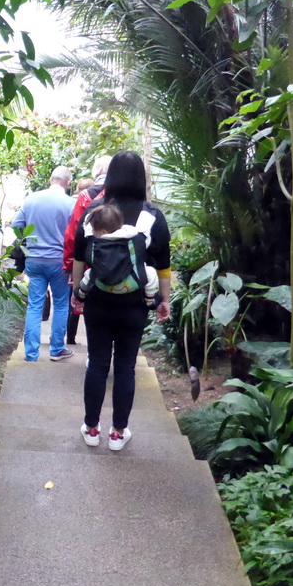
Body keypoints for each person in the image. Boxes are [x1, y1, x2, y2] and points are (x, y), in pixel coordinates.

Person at [71, 151, 171, 451]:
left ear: (111, 176)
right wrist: (163, 300)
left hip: (99, 301)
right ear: (142, 178)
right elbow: (164, 265)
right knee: (126, 366)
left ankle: (91, 428)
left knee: (97, 364)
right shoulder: (152, 216)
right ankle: (117, 433)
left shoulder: (94, 211)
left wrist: (78, 294)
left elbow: (79, 257)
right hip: (135, 304)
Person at [12, 166, 76, 362]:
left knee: (35, 305)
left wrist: (30, 241)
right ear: (68, 183)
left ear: (51, 179)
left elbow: (16, 225)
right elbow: (75, 234)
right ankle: (57, 349)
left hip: (34, 260)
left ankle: (31, 353)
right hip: (59, 261)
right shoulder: (70, 204)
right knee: (61, 304)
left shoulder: (31, 199)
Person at [63, 156, 112, 343]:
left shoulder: (86, 196)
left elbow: (74, 234)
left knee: (81, 298)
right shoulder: (122, 194)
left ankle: (74, 338)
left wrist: (70, 266)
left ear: (96, 170)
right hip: (120, 262)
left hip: (90, 260)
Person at [73, 203, 159, 308]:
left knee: (89, 273)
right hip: (131, 283)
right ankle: (150, 299)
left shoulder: (97, 244)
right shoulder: (130, 235)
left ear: (103, 232)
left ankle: (81, 293)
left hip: (102, 285)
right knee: (150, 273)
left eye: (94, 231)